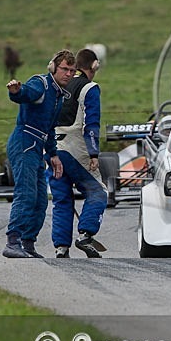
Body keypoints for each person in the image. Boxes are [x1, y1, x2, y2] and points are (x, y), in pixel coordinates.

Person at [2, 49, 76, 259]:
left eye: (72, 70)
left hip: (38, 145)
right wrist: (16, 91)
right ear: (53, 67)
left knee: (40, 199)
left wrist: (53, 154)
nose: (68, 74)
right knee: (26, 194)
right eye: (64, 69)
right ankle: (12, 241)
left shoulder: (59, 95)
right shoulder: (41, 84)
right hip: (24, 141)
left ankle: (28, 243)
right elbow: (25, 93)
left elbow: (50, 128)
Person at [49, 48, 108, 259]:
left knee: (62, 200)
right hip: (76, 148)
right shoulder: (90, 88)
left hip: (52, 149)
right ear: (94, 66)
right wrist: (93, 154)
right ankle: (85, 234)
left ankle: (61, 247)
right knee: (98, 192)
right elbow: (92, 125)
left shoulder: (58, 85)